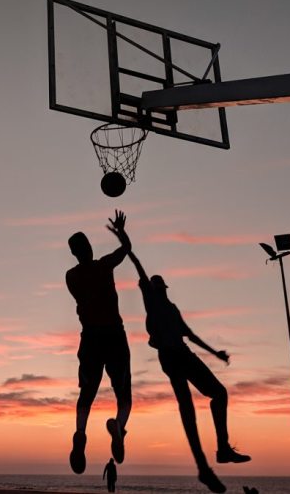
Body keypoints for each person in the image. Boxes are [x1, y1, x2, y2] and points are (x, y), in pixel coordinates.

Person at [127, 250, 250, 494]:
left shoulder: (172, 308)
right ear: (152, 288)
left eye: (160, 285)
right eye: (155, 285)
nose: (158, 287)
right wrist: (126, 243)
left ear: (165, 288)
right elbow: (139, 267)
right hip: (170, 357)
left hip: (184, 354)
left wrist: (216, 353)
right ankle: (204, 467)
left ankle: (223, 449)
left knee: (220, 394)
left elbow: (191, 335)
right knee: (187, 408)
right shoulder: (151, 301)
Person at [66, 210, 132, 474]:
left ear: (74, 254)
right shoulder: (103, 265)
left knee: (87, 393)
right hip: (114, 334)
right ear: (89, 248)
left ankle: (80, 433)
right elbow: (126, 248)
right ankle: (119, 427)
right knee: (124, 394)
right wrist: (120, 232)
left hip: (90, 336)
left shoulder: (71, 276)